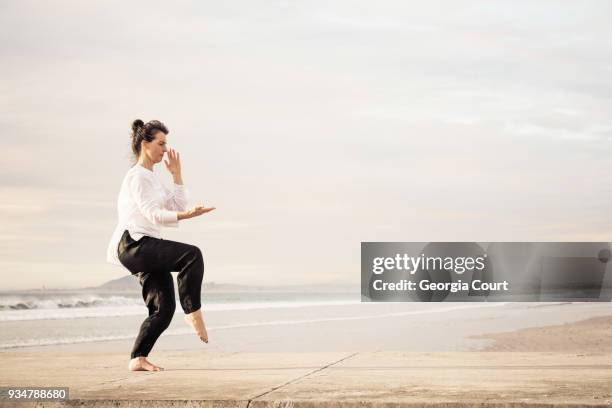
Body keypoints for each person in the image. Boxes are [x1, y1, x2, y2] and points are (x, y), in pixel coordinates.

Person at [106, 119, 215, 372]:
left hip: (146, 246)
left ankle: (138, 358)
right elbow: (154, 214)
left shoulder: (152, 179)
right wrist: (188, 216)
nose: (166, 149)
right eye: (161, 143)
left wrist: (176, 175)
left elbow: (175, 205)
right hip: (134, 242)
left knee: (163, 309)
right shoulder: (137, 177)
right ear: (145, 144)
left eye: (167, 144)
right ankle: (194, 312)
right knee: (192, 255)